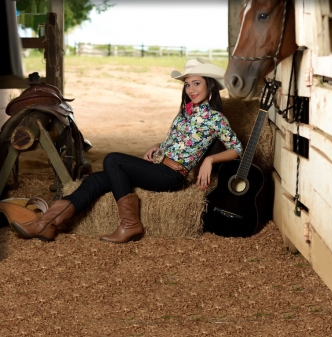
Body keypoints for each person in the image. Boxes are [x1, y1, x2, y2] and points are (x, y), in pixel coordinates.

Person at [9, 58, 243, 244]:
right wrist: (159, 147)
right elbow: (180, 142)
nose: (191, 89)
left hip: (171, 176)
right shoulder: (185, 113)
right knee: (96, 181)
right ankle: (47, 224)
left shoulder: (215, 119)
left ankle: (130, 225)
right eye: (187, 84)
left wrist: (210, 159)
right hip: (158, 166)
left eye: (197, 83)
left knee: (113, 160)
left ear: (209, 85)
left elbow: (237, 149)